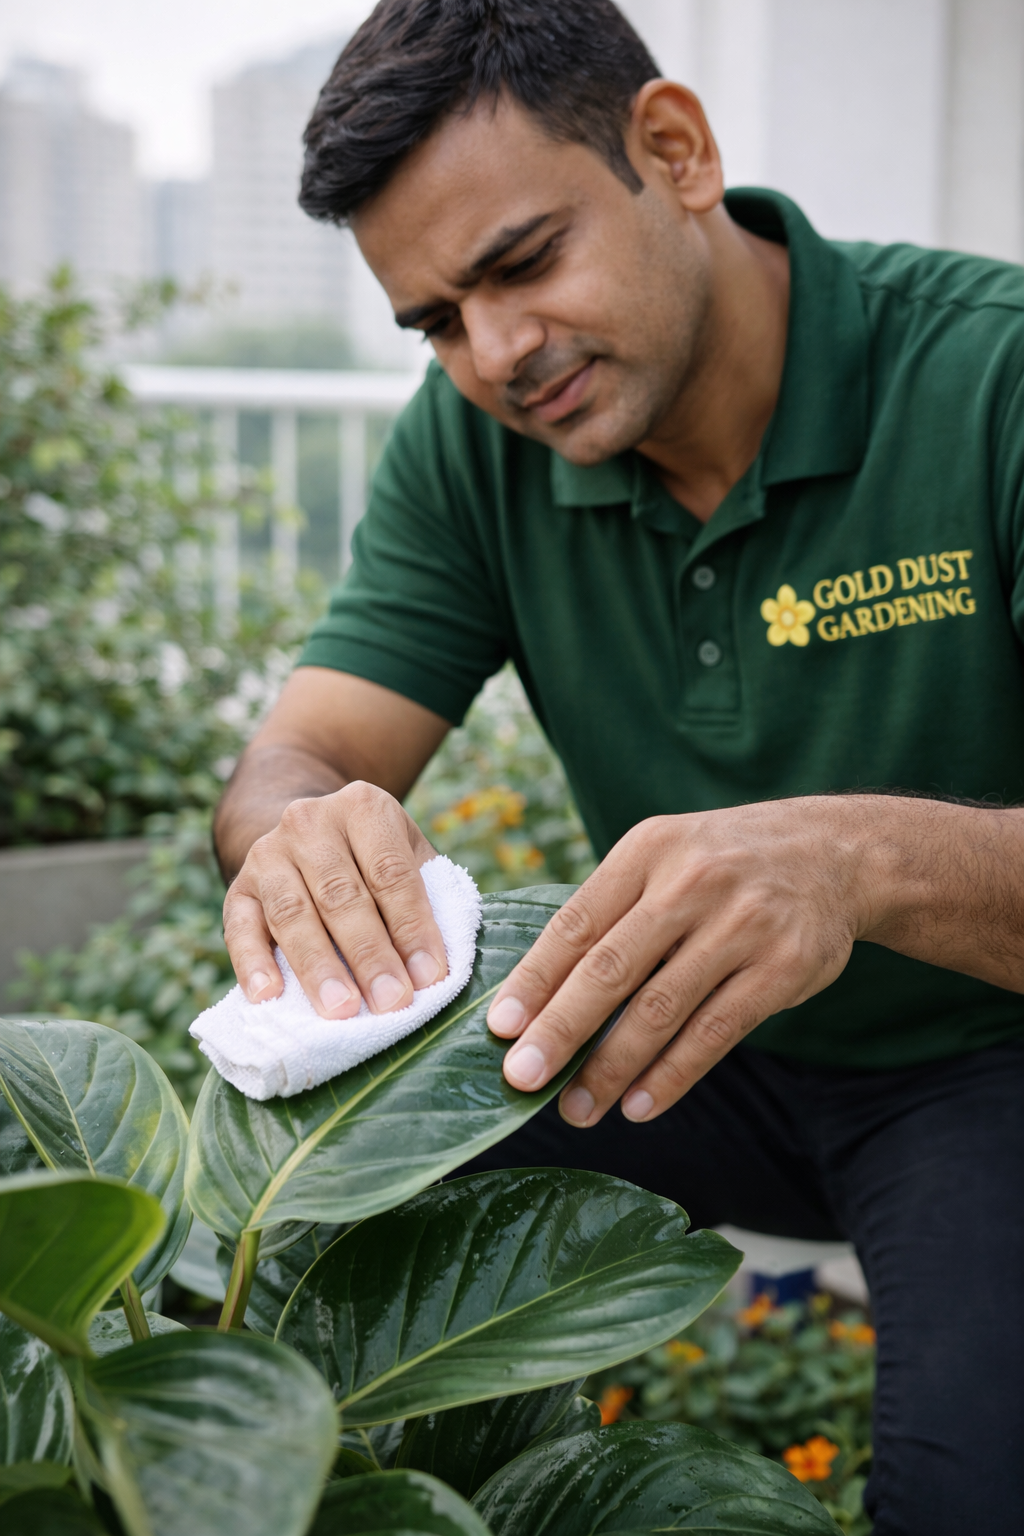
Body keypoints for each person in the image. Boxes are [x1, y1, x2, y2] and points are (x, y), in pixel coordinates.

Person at [213, 3, 1024, 1530]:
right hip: (671, 1038)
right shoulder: (474, 448)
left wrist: (854, 864)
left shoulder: (993, 380)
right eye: (437, 321)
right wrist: (299, 831)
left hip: (990, 1053)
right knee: (284, 1214)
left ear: (675, 149)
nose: (496, 356)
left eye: (522, 263)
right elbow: (303, 750)